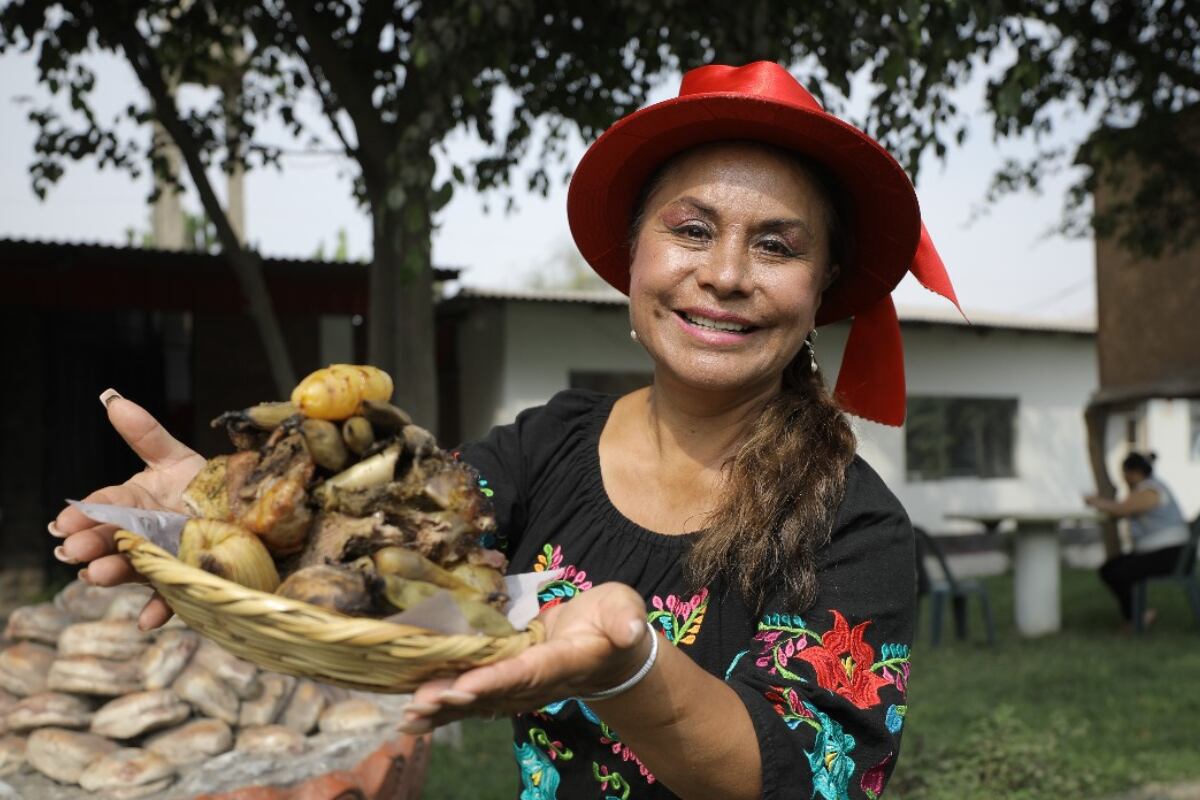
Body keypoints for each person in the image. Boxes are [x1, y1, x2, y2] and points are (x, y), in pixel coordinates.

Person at [49, 62, 960, 800]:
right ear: (633, 259)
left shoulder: (855, 525)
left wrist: (628, 667)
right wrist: (227, 515)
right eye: (691, 230)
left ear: (821, 290)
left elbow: (805, 780)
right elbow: (388, 551)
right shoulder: (547, 444)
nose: (724, 274)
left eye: (776, 245)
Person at [1086, 452, 1190, 629]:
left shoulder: (1150, 490)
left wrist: (1096, 502)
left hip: (1169, 554)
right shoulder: (1148, 488)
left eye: (1124, 473)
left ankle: (1136, 618)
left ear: (1132, 472)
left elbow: (1121, 509)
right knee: (1110, 568)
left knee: (1116, 572)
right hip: (1161, 552)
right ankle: (1136, 616)